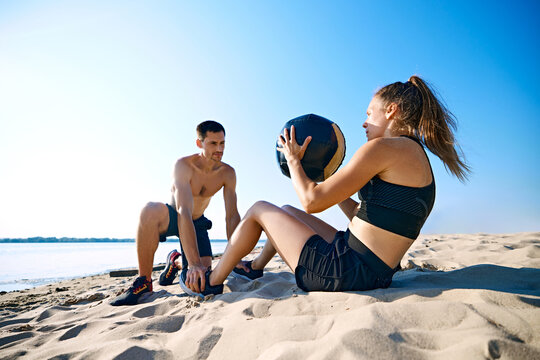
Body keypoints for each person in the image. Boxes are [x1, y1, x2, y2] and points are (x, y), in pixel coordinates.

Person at [179, 76, 470, 297]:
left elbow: (312, 202)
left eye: (370, 113)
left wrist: (294, 161)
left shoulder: (382, 149)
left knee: (258, 210)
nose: (364, 123)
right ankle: (254, 268)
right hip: (376, 271)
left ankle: (212, 282)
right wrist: (328, 179)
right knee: (285, 210)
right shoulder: (416, 156)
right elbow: (367, 218)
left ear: (391, 110)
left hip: (343, 272)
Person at [111, 120, 241, 305]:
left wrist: (237, 256)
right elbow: (183, 211)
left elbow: (232, 216)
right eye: (213, 143)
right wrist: (194, 264)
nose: (219, 148)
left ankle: (176, 261)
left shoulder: (227, 173)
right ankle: (144, 281)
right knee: (149, 210)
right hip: (173, 216)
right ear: (199, 143)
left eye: (222, 143)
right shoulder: (184, 166)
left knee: (202, 280)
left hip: (197, 222)